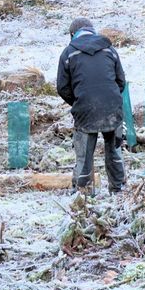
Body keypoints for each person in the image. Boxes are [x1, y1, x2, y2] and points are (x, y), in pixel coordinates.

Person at [56, 18, 126, 194]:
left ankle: (84, 195)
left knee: (84, 157)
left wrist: (79, 102)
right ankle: (118, 191)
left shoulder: (68, 53)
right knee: (115, 153)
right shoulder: (110, 49)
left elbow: (62, 88)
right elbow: (121, 82)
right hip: (113, 109)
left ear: (72, 35)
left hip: (86, 112)